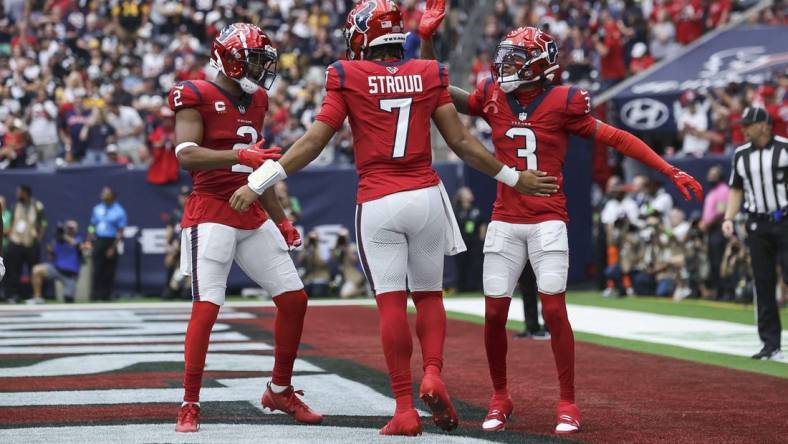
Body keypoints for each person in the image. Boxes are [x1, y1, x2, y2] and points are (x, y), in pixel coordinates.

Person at [228, 1, 558, 436]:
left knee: (390, 303)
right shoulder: (427, 72)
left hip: (380, 198)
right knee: (429, 297)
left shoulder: (346, 75)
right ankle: (434, 373)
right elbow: (460, 141)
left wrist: (259, 180)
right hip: (424, 195)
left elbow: (312, 143)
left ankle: (404, 407)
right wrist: (515, 177)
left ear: (362, 36)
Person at [421, 13, 703, 433]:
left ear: (538, 66)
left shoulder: (564, 101)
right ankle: (500, 396)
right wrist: (427, 42)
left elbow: (618, 138)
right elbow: (436, 87)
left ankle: (568, 402)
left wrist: (668, 169)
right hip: (504, 218)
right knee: (495, 315)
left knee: (554, 311)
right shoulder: (494, 95)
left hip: (548, 218)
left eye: (515, 60)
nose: (505, 68)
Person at [168, 23, 321, 433]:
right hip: (211, 209)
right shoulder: (195, 93)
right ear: (231, 59)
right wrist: (237, 152)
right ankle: (189, 402)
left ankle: (280, 389)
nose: (259, 70)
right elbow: (186, 154)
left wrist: (282, 219)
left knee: (294, 300)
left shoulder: (257, 101)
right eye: (253, 61)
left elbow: (260, 166)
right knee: (208, 307)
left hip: (250, 208)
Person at [722, 106, 788, 360]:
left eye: (748, 124)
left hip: (784, 220)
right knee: (763, 283)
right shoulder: (741, 155)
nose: (743, 129)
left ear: (764, 125)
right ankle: (770, 343)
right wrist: (729, 217)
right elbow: (736, 189)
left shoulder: (784, 148)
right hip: (757, 224)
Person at [4, 185, 46, 303]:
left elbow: (43, 222)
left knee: (33, 269)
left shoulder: (37, 206)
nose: (17, 194)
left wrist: (40, 236)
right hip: (16, 241)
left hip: (30, 242)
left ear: (26, 193)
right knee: (13, 270)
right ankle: (13, 295)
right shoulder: (15, 205)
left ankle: (35, 294)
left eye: (20, 192)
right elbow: (12, 221)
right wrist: (10, 233)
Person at [29, 220, 85, 304]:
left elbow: (78, 245)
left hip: (70, 275)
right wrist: (50, 250)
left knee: (68, 299)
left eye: (72, 228)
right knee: (36, 270)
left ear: (76, 229)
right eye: (68, 228)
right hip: (57, 269)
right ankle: (37, 297)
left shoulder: (78, 239)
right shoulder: (58, 241)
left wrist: (64, 236)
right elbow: (51, 256)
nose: (70, 230)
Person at [88, 187, 127, 301]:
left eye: (106, 193)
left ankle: (106, 295)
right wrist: (90, 237)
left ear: (112, 196)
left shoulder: (119, 211)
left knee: (108, 270)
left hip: (111, 240)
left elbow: (120, 231)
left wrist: (113, 247)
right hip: (99, 240)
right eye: (102, 192)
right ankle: (95, 295)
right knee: (97, 269)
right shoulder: (97, 209)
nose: (102, 194)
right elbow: (92, 225)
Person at [701, 165, 730, 300]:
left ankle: (726, 291)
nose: (709, 176)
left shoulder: (723, 190)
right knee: (713, 261)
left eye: (713, 174)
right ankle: (717, 290)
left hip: (719, 229)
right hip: (711, 230)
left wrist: (707, 223)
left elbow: (721, 211)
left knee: (719, 261)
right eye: (709, 173)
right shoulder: (712, 192)